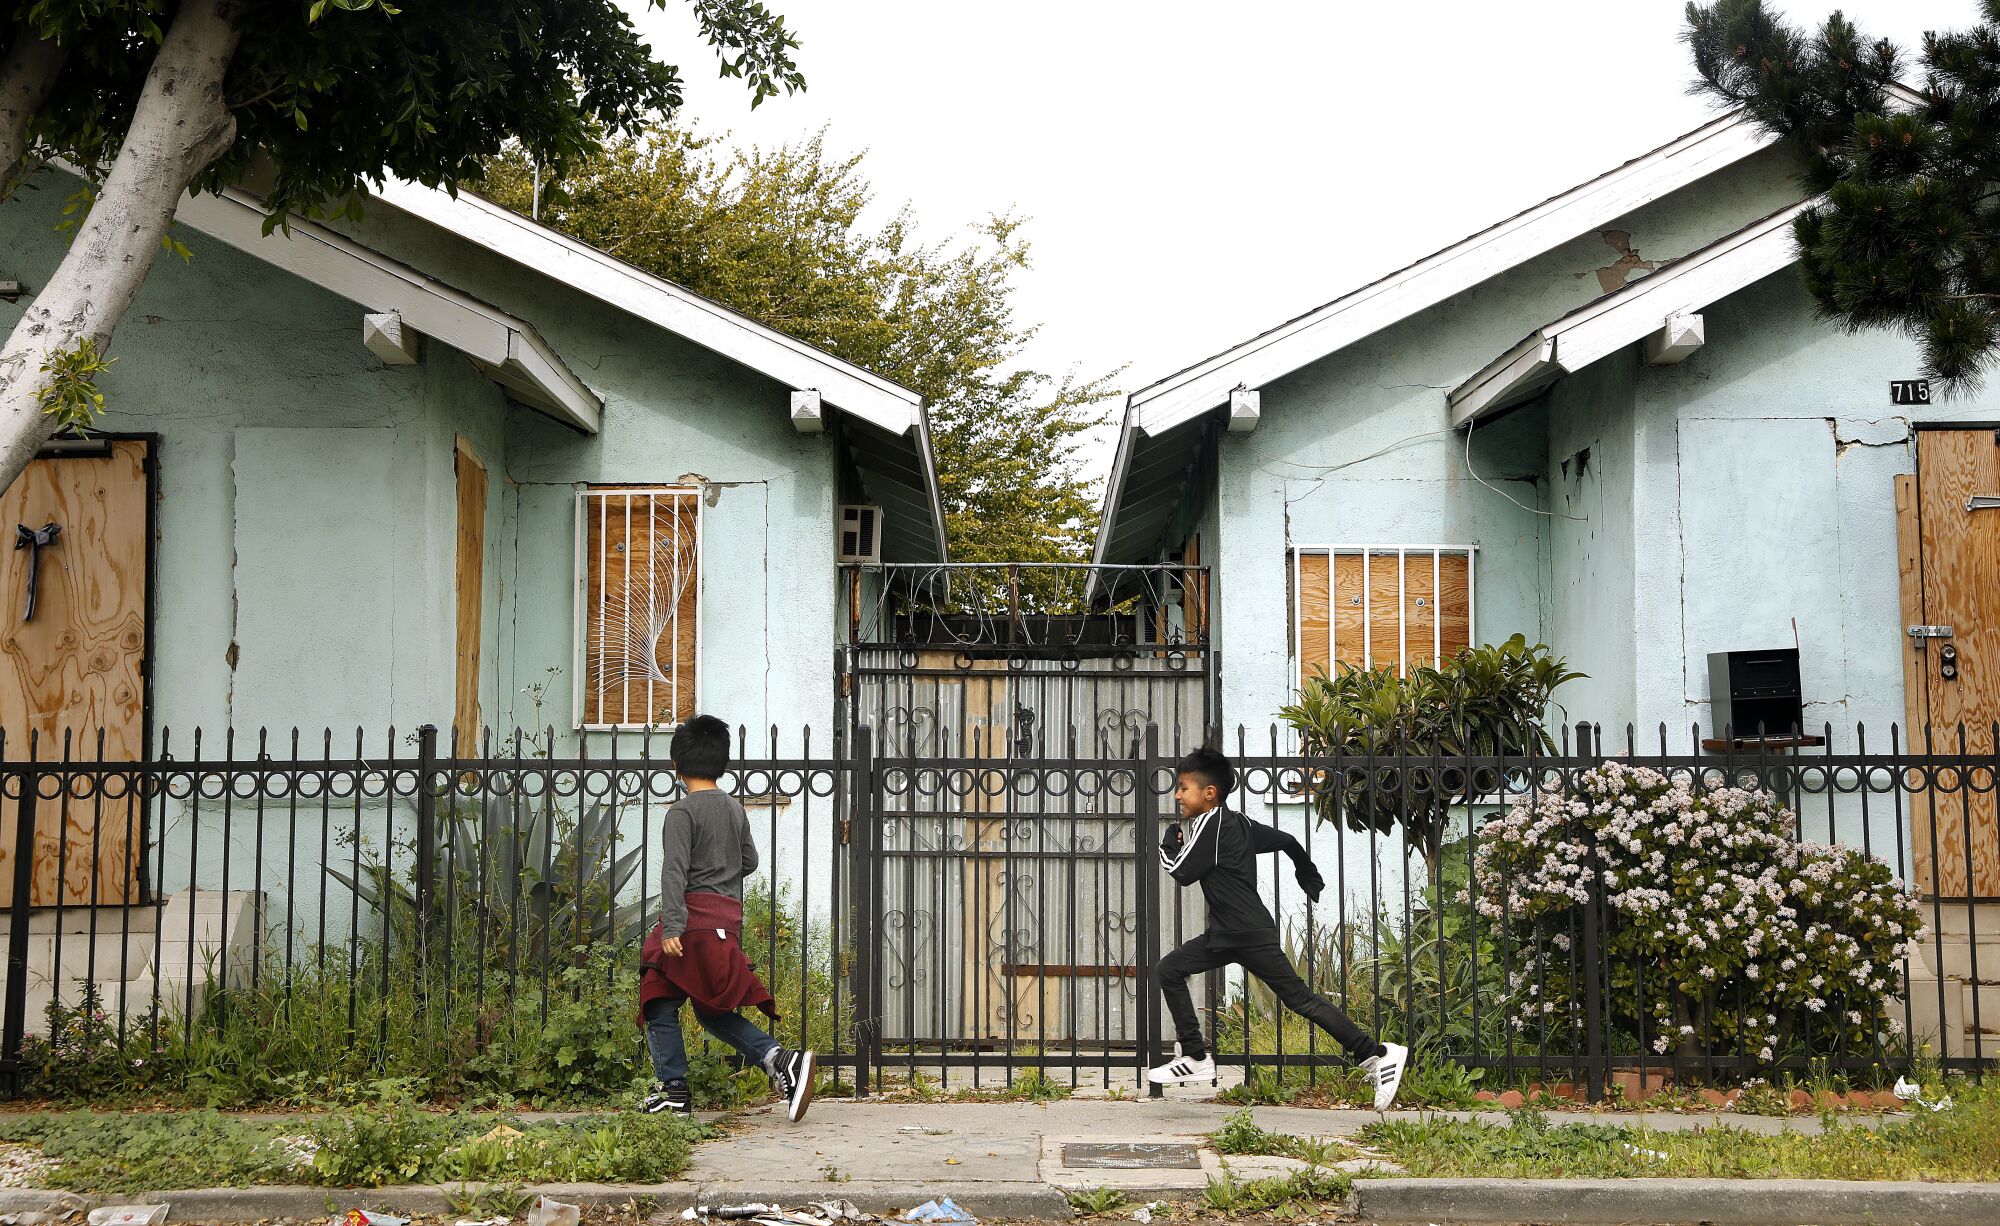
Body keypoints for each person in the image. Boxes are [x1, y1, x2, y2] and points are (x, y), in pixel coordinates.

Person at [1149, 745, 1407, 1111]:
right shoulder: (1238, 823)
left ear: (1209, 793)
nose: (1176, 795)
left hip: (1245, 935)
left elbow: (1182, 872)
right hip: (1230, 935)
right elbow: (1285, 840)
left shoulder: (1210, 822)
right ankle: (1195, 1055)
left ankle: (1378, 1055)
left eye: (1183, 788)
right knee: (1170, 969)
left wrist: (1167, 844)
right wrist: (1307, 871)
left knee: (1300, 999)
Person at [638, 714, 815, 1121]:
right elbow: (748, 860)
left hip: (691, 925)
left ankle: (675, 1090)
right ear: (723, 765)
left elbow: (675, 872)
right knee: (699, 1007)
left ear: (676, 766)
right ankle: (776, 1059)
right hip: (724, 924)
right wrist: (721, 873)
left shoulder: (681, 813)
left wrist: (673, 925)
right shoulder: (734, 809)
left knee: (655, 995)